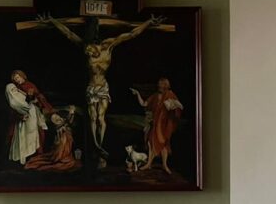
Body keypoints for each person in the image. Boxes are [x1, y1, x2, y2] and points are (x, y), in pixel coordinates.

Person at [39, 14, 164, 156]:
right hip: (92, 88)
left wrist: (149, 21)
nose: (88, 54)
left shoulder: (109, 46)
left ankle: (101, 143)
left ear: (96, 45)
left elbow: (131, 34)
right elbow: (68, 33)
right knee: (93, 118)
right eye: (87, 52)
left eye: (90, 51)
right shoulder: (85, 47)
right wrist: (52, 20)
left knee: (100, 118)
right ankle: (96, 145)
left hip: (103, 87)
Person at [130, 77, 183, 173]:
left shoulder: (170, 95)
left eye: (161, 84)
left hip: (164, 125)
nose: (159, 86)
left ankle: (164, 165)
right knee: (151, 143)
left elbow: (178, 109)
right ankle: (149, 164)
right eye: (159, 84)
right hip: (155, 124)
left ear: (166, 86)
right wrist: (137, 94)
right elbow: (144, 104)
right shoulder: (155, 96)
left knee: (163, 144)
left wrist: (173, 107)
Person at [5, 74, 47, 166]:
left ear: (22, 76)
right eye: (15, 79)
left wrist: (34, 100)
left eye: (17, 77)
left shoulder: (22, 91)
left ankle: (34, 153)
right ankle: (24, 156)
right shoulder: (13, 100)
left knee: (34, 135)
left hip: (32, 116)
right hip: (23, 121)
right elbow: (14, 111)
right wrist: (21, 116)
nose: (17, 80)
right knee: (24, 138)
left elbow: (31, 99)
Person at [25, 107, 80, 172]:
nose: (59, 120)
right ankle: (61, 157)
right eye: (58, 120)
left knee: (65, 147)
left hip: (67, 139)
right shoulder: (59, 127)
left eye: (60, 119)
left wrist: (71, 113)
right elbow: (58, 136)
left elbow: (69, 121)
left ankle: (63, 156)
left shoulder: (65, 124)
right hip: (63, 141)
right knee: (61, 148)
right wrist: (58, 141)